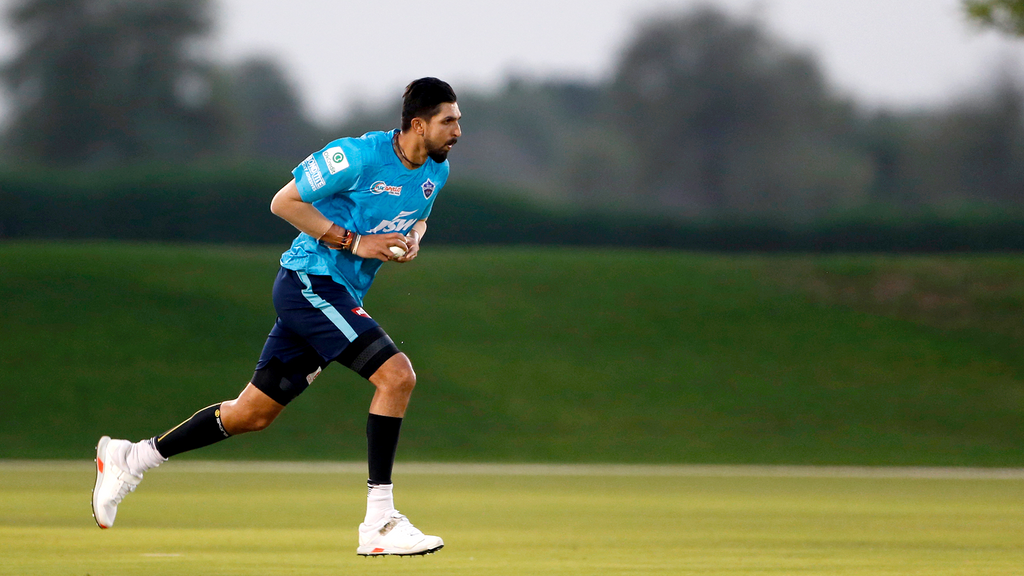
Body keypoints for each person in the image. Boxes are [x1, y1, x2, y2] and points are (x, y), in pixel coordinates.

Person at [91, 77, 462, 557]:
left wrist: (414, 238)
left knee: (251, 414)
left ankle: (132, 456)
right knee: (397, 377)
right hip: (309, 284)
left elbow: (418, 214)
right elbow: (283, 202)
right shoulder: (356, 156)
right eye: (448, 121)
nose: (457, 130)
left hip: (336, 292)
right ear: (418, 124)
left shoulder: (437, 170)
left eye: (458, 121)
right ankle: (380, 522)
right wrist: (353, 242)